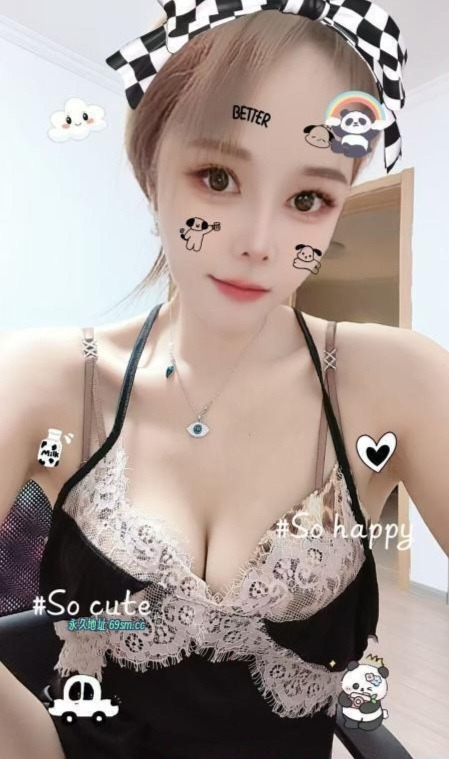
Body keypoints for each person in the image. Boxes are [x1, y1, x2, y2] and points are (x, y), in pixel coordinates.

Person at [0, 4, 448, 759]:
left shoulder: (397, 381)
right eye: (217, 177)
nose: (259, 243)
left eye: (307, 199)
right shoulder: (47, 378)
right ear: (150, 171)